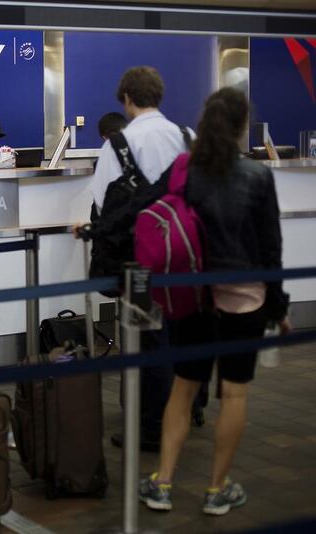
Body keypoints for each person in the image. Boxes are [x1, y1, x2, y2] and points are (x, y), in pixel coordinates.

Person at [140, 88, 290, 516]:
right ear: (243, 127)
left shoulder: (187, 172)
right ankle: (216, 489)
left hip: (195, 297)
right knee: (235, 394)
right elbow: (270, 250)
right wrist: (278, 309)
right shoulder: (258, 177)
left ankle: (163, 483)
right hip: (245, 300)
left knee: (184, 389)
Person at [82, 66, 194, 452]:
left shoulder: (117, 145)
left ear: (127, 99)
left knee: (150, 337)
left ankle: (150, 428)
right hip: (185, 253)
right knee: (185, 330)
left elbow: (102, 203)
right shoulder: (187, 137)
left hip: (141, 257)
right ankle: (189, 409)